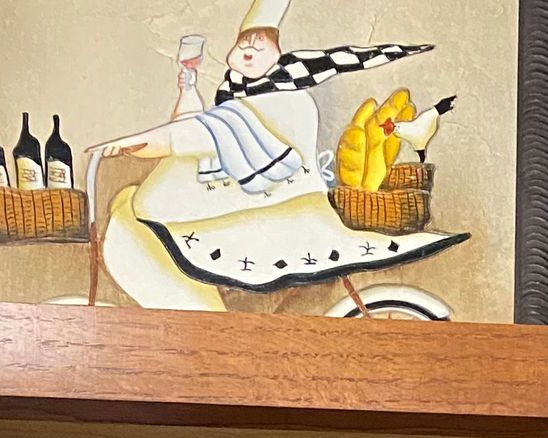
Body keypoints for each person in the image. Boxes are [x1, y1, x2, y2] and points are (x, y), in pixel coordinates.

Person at [85, 0, 459, 311]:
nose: (248, 50)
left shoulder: (281, 102)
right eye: (244, 42)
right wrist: (187, 93)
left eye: (259, 42)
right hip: (246, 210)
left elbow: (199, 134)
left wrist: (132, 143)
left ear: (277, 50)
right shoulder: (237, 96)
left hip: (279, 216)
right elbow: (203, 128)